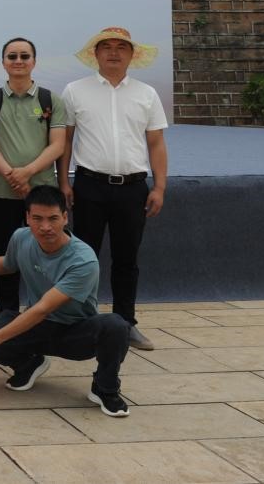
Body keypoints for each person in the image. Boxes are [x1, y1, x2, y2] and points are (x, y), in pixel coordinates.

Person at [0, 185, 131, 417]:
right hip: (37, 326)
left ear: (65, 217)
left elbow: (43, 308)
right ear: (28, 217)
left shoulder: (83, 260)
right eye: (38, 218)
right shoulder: (21, 237)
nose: (45, 227)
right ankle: (28, 364)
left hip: (75, 332)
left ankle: (105, 388)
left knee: (116, 326)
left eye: (53, 218)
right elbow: (6, 264)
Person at [59, 26, 168, 352]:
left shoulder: (146, 94)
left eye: (121, 47)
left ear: (132, 54)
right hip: (89, 186)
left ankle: (125, 323)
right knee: (84, 258)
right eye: (105, 46)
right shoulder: (75, 91)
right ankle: (83, 321)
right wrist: (63, 181)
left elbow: (156, 143)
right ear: (95, 54)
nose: (113, 52)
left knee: (126, 259)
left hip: (133, 188)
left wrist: (160, 187)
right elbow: (65, 140)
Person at [0, 38, 69, 315]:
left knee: (49, 250)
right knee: (7, 254)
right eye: (12, 56)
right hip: (2, 190)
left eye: (24, 56)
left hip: (42, 191)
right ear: (3, 62)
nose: (18, 61)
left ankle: (47, 311)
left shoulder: (50, 100)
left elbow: (58, 145)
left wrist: (26, 172)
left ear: (34, 62)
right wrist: (12, 175)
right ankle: (7, 312)